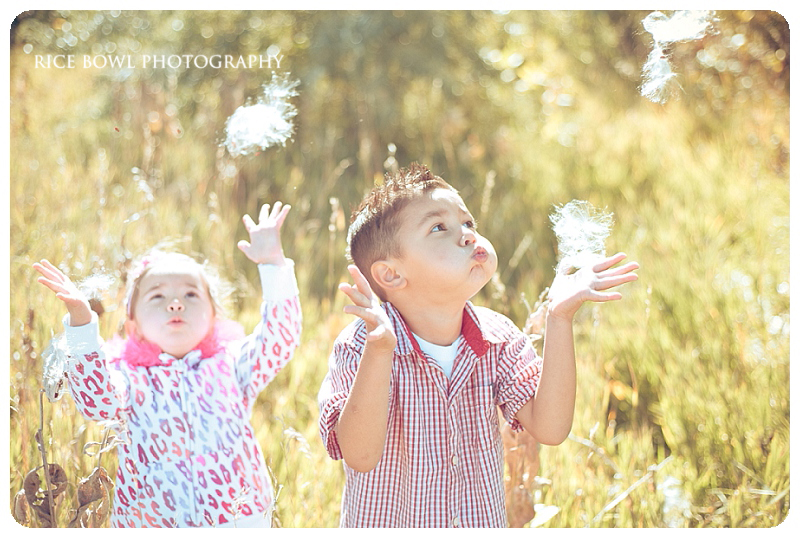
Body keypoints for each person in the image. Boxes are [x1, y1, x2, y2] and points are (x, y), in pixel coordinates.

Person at [318, 164, 638, 527]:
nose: (468, 235)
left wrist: (558, 319)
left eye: (468, 223)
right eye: (439, 227)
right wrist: (378, 353)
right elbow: (358, 455)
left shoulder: (498, 337)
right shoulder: (363, 345)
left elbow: (550, 428)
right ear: (391, 274)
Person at [33, 202, 302, 528]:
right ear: (133, 326)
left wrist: (274, 263)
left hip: (238, 520)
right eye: (157, 297)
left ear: (213, 316)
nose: (176, 303)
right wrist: (81, 323)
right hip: (153, 523)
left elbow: (280, 340)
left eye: (191, 294)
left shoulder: (231, 365)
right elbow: (97, 403)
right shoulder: (128, 379)